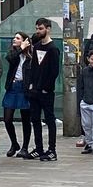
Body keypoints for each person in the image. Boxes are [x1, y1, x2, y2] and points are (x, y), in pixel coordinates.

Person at [25, 20, 63, 160]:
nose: (38, 31)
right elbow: (33, 68)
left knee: (49, 119)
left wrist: (46, 88)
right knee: (35, 119)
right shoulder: (36, 46)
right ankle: (39, 148)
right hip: (35, 90)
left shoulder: (53, 49)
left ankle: (52, 150)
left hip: (46, 92)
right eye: (37, 28)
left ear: (48, 29)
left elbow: (54, 72)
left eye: (40, 28)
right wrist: (31, 85)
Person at [1, 33, 30, 158]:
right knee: (7, 118)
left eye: (18, 38)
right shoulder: (14, 54)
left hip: (24, 87)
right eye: (14, 37)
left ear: (25, 41)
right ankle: (14, 143)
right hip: (13, 87)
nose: (14, 39)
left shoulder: (30, 57)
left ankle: (25, 147)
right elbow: (10, 59)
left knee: (25, 119)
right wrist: (20, 48)